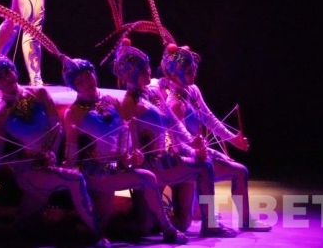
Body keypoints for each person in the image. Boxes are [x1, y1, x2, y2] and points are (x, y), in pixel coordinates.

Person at [0, 51, 107, 247]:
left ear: (14, 70)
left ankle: (14, 230)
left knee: (25, 225)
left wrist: (51, 152)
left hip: (49, 162)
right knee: (75, 179)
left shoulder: (40, 94)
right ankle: (97, 235)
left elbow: (57, 128)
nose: (6, 78)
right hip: (29, 168)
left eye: (7, 72)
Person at [113, 39, 237, 238]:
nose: (149, 72)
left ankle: (209, 224)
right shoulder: (129, 102)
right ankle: (100, 226)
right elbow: (126, 134)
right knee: (143, 228)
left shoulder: (153, 93)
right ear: (131, 75)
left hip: (164, 159)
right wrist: (129, 156)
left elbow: (173, 122)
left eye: (147, 68)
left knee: (203, 171)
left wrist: (191, 142)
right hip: (147, 163)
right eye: (143, 71)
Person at [62, 57, 188, 245]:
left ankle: (201, 223)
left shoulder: (112, 100)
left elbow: (125, 132)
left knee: (202, 168)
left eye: (88, 76)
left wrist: (128, 156)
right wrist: (69, 166)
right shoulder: (73, 112)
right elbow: (71, 148)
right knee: (104, 223)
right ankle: (172, 225)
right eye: (79, 82)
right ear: (74, 87)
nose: (87, 82)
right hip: (97, 169)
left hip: (122, 165)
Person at [157, 44, 272, 232]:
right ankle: (168, 220)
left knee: (239, 170)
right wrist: (202, 153)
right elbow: (179, 145)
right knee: (237, 172)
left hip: (198, 153)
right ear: (175, 73)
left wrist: (233, 139)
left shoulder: (192, 91)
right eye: (188, 71)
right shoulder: (174, 104)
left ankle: (243, 220)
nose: (194, 74)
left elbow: (209, 118)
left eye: (194, 69)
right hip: (185, 159)